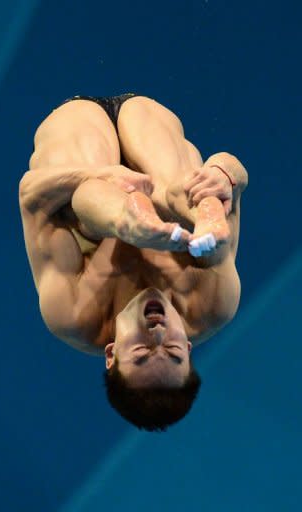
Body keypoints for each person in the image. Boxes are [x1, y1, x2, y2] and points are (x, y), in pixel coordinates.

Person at [19, 93, 248, 432]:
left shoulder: (73, 314)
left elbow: (31, 197)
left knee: (82, 207)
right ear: (188, 347)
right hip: (152, 145)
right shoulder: (214, 304)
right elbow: (236, 171)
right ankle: (197, 209)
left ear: (111, 355)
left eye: (141, 353)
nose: (157, 334)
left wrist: (97, 175)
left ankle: (126, 219)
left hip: (79, 140)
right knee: (179, 186)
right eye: (172, 351)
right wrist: (223, 175)